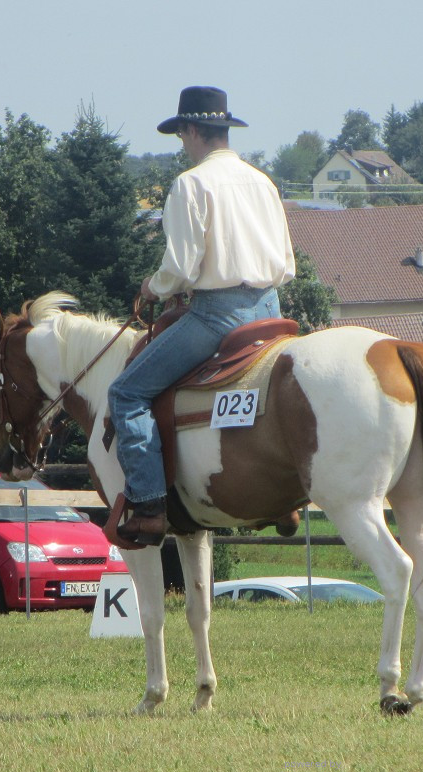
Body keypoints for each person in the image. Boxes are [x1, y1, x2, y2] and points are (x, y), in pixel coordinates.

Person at [107, 85, 296, 546]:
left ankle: (150, 504)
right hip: (272, 310)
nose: (183, 145)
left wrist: (153, 287)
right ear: (223, 128)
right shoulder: (263, 182)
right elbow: (287, 265)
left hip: (217, 317)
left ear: (192, 129)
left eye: (181, 135)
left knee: (126, 392)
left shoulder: (191, 185)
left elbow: (181, 268)